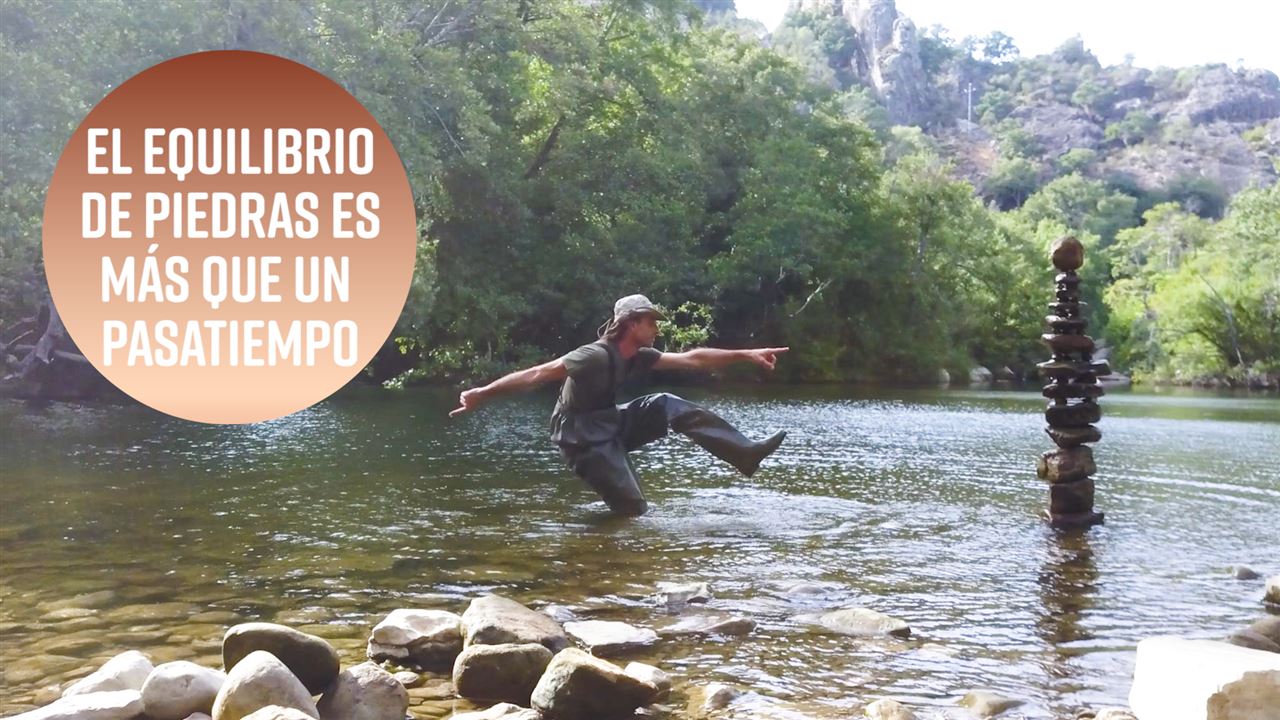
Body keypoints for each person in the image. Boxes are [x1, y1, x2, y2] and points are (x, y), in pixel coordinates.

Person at [449, 294, 789, 516]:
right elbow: (538, 373)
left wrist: (747, 354)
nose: (656, 328)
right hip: (583, 440)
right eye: (651, 322)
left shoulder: (639, 356)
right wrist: (483, 393)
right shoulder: (593, 356)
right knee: (635, 512)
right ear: (631, 323)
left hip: (609, 423)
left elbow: (693, 359)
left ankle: (744, 452)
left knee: (666, 403)